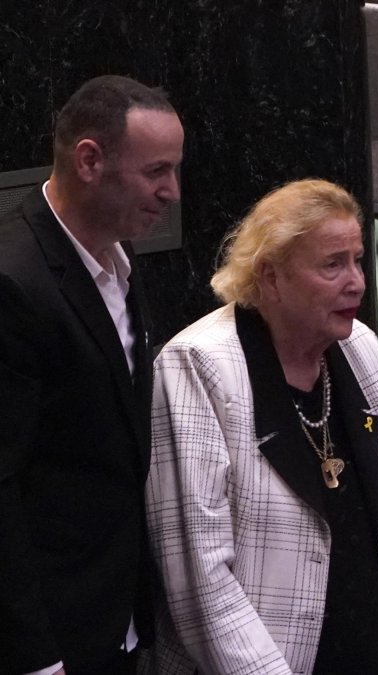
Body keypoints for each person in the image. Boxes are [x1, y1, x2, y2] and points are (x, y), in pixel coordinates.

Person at [142, 180, 378, 674]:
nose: (356, 282)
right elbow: (199, 578)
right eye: (332, 264)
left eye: (357, 259)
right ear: (271, 277)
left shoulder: (359, 347)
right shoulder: (198, 366)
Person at [0, 75, 183, 675]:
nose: (171, 192)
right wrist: (35, 657)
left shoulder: (119, 264)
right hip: (49, 639)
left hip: (115, 621)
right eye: (156, 171)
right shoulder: (14, 285)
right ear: (89, 160)